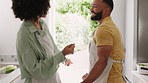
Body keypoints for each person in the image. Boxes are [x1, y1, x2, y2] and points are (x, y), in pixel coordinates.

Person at [11, 0, 75, 83]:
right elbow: (35, 70)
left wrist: (64, 59)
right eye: (46, 3)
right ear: (35, 6)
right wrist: (62, 54)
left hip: (53, 78)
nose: (49, 7)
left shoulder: (42, 24)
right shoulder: (24, 35)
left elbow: (52, 48)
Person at [81, 0, 125, 83]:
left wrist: (86, 82)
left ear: (107, 10)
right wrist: (90, 75)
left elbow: (102, 61)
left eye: (95, 7)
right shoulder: (108, 26)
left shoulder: (104, 29)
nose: (91, 9)